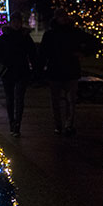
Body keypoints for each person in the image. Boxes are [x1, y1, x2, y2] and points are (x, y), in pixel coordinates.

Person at [0, 12, 37, 137]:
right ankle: (12, 123)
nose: (16, 24)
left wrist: (35, 69)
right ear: (11, 23)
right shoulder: (7, 38)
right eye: (14, 21)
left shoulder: (24, 37)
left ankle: (16, 124)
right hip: (9, 72)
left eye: (18, 22)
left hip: (20, 72)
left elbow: (33, 55)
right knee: (11, 98)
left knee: (18, 98)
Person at [40, 8, 87, 136]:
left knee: (70, 100)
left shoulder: (73, 33)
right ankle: (59, 125)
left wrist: (82, 52)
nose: (63, 19)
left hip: (68, 71)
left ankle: (68, 124)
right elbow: (44, 53)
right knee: (57, 101)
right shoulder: (51, 34)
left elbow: (89, 42)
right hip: (57, 71)